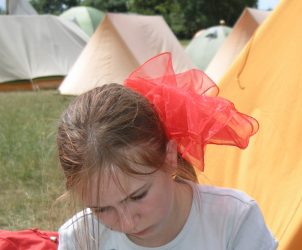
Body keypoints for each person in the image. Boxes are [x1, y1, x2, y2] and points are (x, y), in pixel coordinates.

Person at [56, 53, 278, 250]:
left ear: (170, 157)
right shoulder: (80, 240)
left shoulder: (234, 220)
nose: (127, 223)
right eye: (102, 209)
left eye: (137, 196)